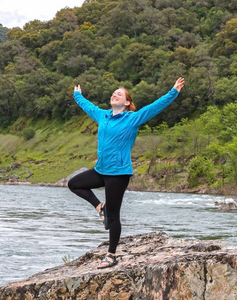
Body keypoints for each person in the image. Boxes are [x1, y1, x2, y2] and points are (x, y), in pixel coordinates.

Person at [68, 77, 185, 269]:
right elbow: (88, 107)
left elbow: (155, 107)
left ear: (127, 103)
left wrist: (173, 91)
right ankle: (99, 207)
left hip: (119, 174)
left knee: (114, 216)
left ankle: (111, 255)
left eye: (119, 94)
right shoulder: (102, 116)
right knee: (74, 184)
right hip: (101, 170)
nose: (115, 94)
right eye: (114, 93)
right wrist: (77, 95)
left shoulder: (133, 118)